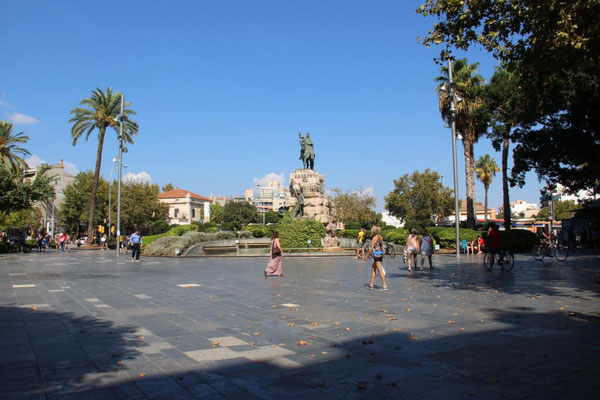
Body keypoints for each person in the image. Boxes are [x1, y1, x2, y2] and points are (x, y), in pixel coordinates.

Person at [364, 226, 388, 290]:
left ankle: (384, 286)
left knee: (380, 270)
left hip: (376, 255)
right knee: (373, 268)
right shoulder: (380, 237)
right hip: (380, 254)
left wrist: (367, 255)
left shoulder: (375, 238)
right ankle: (371, 284)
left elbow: (371, 248)